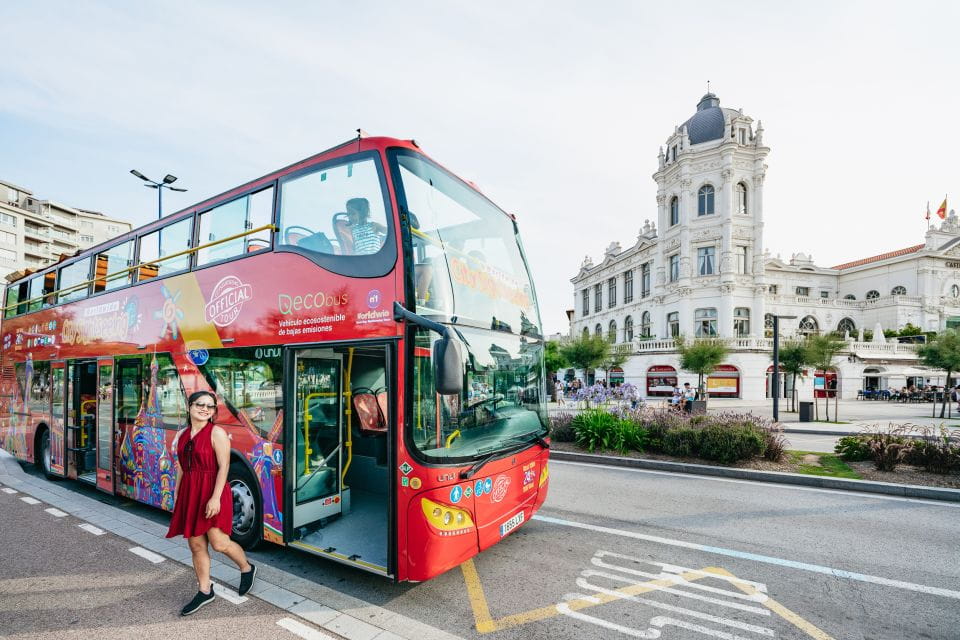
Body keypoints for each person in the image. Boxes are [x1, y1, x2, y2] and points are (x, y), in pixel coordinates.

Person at [166, 391, 256, 616]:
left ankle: (247, 568)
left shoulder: (217, 433)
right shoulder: (183, 434)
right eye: (200, 404)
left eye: (210, 406)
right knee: (196, 545)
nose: (205, 409)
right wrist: (177, 493)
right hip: (190, 492)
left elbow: (224, 467)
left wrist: (215, 498)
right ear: (190, 406)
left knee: (219, 543)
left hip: (212, 490)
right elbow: (181, 466)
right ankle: (205, 590)